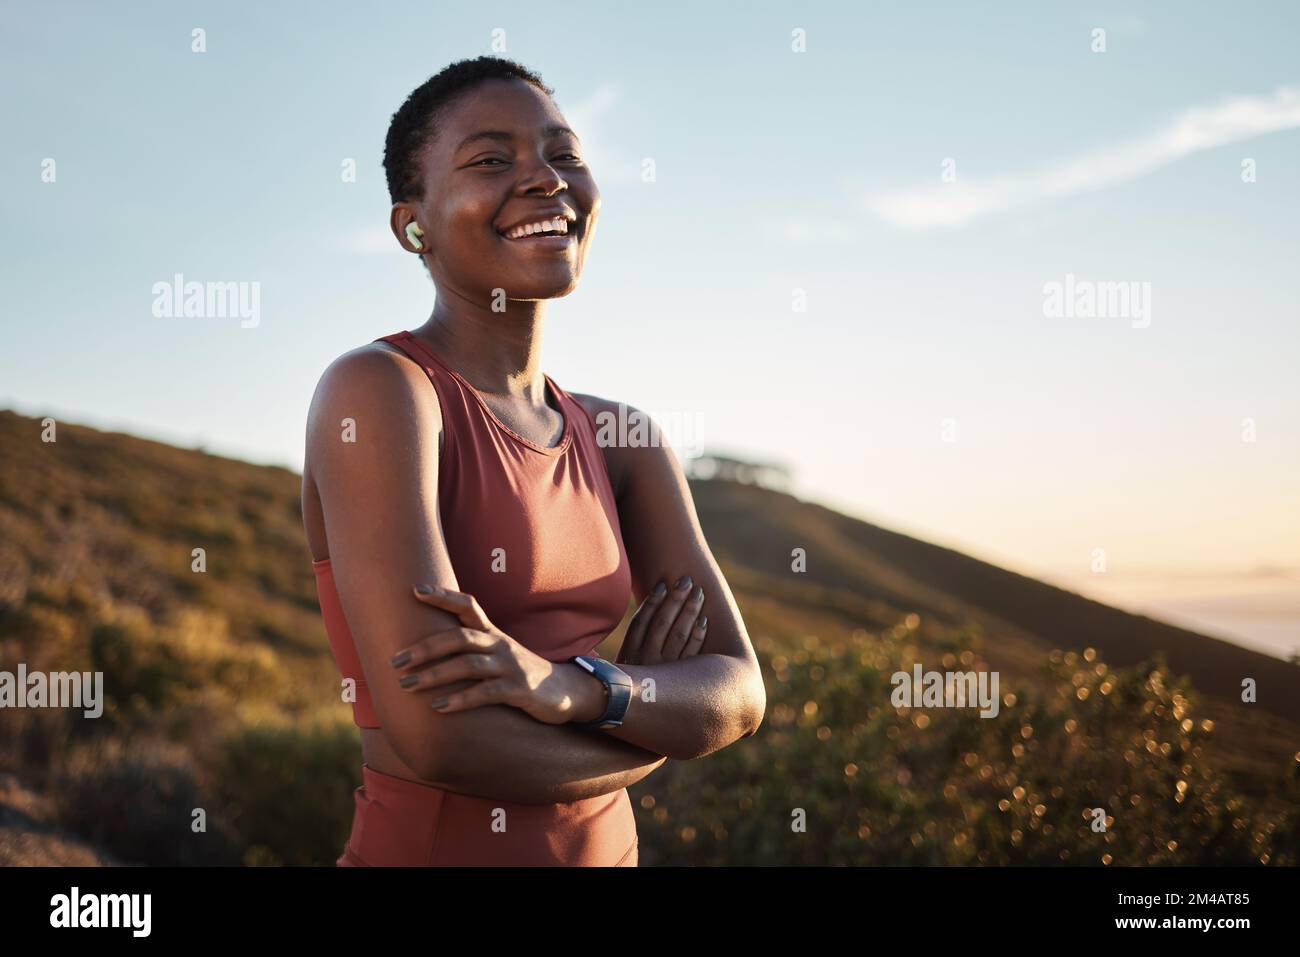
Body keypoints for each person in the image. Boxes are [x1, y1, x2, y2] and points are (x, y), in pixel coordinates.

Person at [300, 56, 766, 866]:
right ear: (414, 225)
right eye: (491, 160)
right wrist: (656, 731)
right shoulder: (380, 392)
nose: (545, 180)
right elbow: (442, 740)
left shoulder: (625, 439)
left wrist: (580, 689)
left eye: (564, 154)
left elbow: (739, 690)